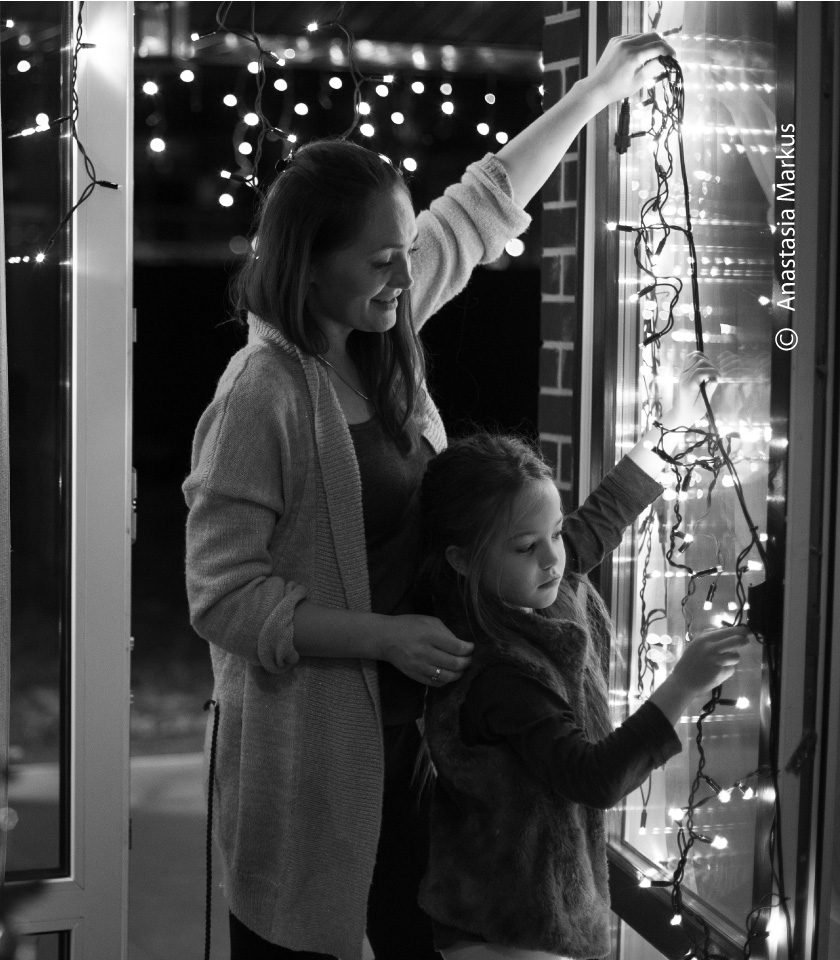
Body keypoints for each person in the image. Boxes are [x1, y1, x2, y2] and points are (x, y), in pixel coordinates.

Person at [183, 31, 678, 960]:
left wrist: (596, 93)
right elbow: (222, 597)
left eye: (409, 252)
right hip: (319, 753)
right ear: (308, 263)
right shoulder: (261, 396)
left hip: (423, 746)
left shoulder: (382, 330)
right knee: (310, 937)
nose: (406, 278)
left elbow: (486, 201)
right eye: (380, 261)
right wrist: (386, 639)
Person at [415, 369, 750, 960]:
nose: (552, 558)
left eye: (554, 534)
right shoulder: (499, 673)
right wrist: (684, 686)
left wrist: (661, 436)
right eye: (526, 547)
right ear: (461, 561)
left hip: (538, 915)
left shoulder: (532, 587)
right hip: (503, 932)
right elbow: (592, 777)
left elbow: (595, 524)